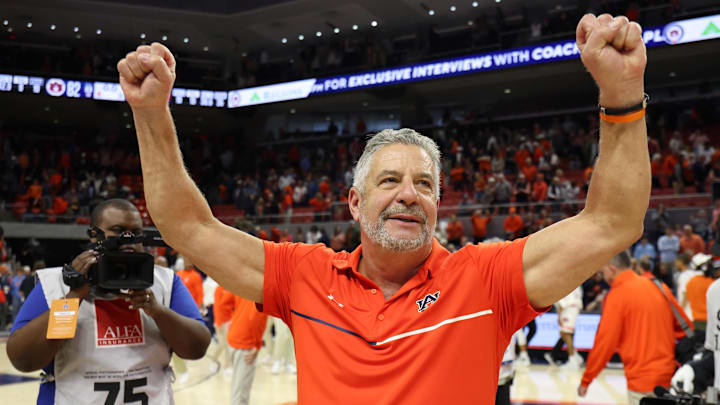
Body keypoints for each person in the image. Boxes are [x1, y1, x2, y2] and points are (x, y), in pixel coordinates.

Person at [119, 14, 650, 403]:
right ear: (354, 202)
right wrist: (150, 114)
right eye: (390, 180)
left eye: (424, 183)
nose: (408, 194)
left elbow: (612, 222)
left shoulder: (487, 280)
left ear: (438, 204)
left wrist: (623, 94)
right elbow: (186, 225)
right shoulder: (302, 275)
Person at [5, 199, 211, 404]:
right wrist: (74, 297)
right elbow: (23, 360)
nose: (128, 240)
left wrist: (157, 311)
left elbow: (196, 349)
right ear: (94, 236)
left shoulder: (164, 282)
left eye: (136, 233)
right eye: (118, 230)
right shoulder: (57, 284)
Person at [578, 251, 691, 405]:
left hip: (641, 381)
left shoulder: (617, 296)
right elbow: (685, 326)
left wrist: (587, 379)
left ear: (612, 269)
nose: (602, 275)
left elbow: (605, 341)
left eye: (602, 270)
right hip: (670, 376)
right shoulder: (658, 285)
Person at [226, 294, 268, 405]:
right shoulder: (260, 289)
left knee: (236, 388)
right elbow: (256, 317)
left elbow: (225, 302)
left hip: (234, 335)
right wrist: (257, 344)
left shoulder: (242, 282)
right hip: (246, 342)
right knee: (240, 395)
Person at [544, 286, 584, 369]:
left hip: (569, 308)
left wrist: (559, 314)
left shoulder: (567, 280)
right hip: (572, 307)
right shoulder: (575, 281)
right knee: (563, 333)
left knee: (566, 333)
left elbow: (565, 299)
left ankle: (572, 360)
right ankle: (575, 356)